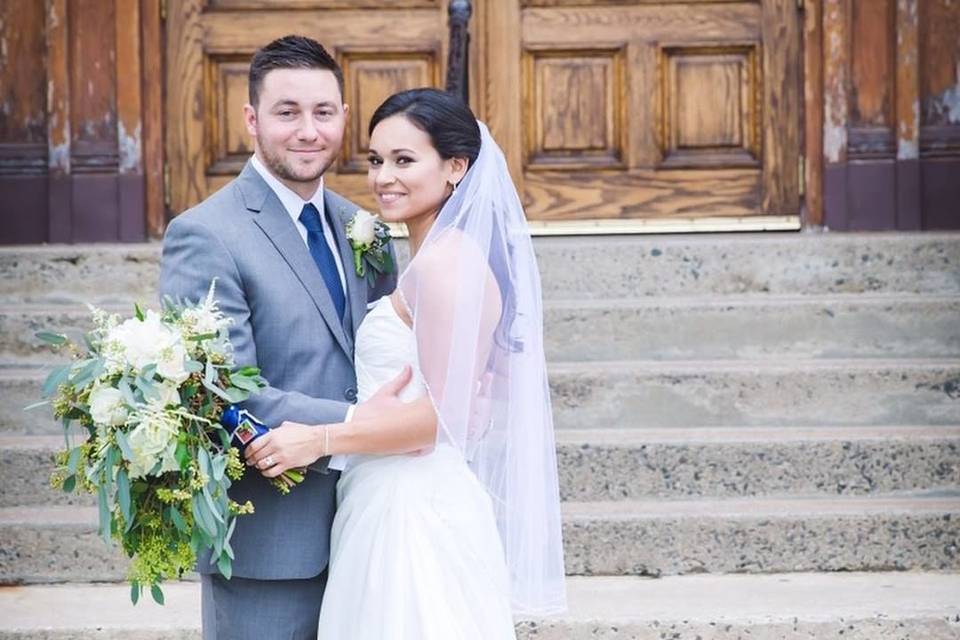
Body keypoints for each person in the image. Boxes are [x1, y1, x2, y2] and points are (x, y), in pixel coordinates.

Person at [246, 88, 567, 638]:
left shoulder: (446, 266)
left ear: (455, 169)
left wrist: (316, 439)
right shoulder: (430, 259)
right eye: (376, 160)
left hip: (413, 509)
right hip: (386, 494)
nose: (383, 177)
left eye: (404, 160)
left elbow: (441, 421)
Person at [159, 35, 402, 639]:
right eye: (286, 112)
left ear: (344, 118)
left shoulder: (362, 229)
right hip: (270, 540)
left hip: (377, 527)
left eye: (323, 112)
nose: (307, 130)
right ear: (251, 120)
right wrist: (368, 425)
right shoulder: (205, 234)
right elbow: (222, 392)